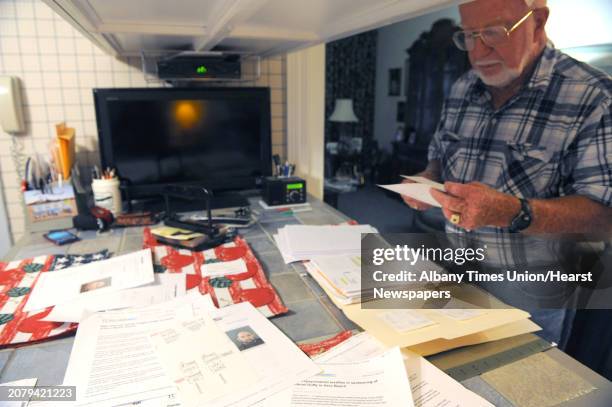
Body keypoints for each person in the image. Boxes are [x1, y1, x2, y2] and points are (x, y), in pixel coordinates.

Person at [402, 0, 611, 344]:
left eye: (494, 32)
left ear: (538, 21)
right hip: (456, 268)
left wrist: (513, 212)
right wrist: (425, 180)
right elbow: (439, 160)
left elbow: (605, 217)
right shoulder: (462, 87)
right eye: (469, 35)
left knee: (516, 391)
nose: (479, 50)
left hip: (530, 291)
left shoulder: (594, 96)